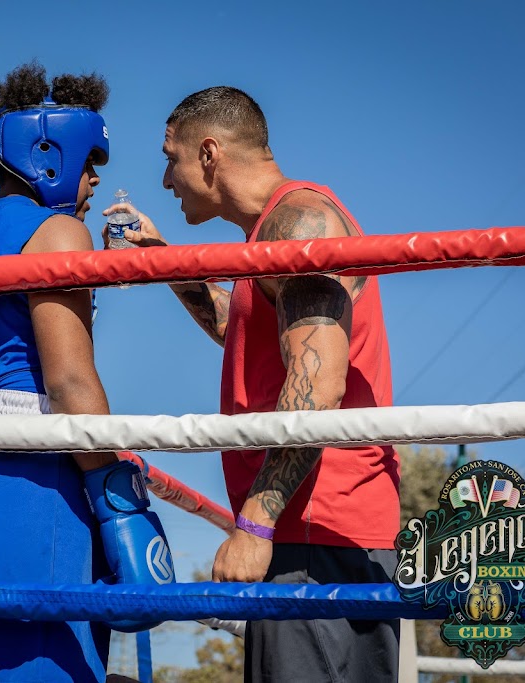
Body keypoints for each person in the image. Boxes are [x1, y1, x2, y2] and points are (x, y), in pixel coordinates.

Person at [104, 86, 400, 682]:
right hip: (313, 529)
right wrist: (164, 261)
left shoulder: (298, 222)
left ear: (209, 151)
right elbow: (241, 333)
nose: (165, 179)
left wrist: (256, 524)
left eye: (171, 157)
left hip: (315, 530)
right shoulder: (269, 233)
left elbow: (318, 386)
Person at [0, 62, 176, 683]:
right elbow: (69, 380)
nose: (96, 179)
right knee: (46, 665)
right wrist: (116, 497)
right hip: (40, 468)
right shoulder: (60, 229)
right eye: (90, 161)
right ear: (51, 154)